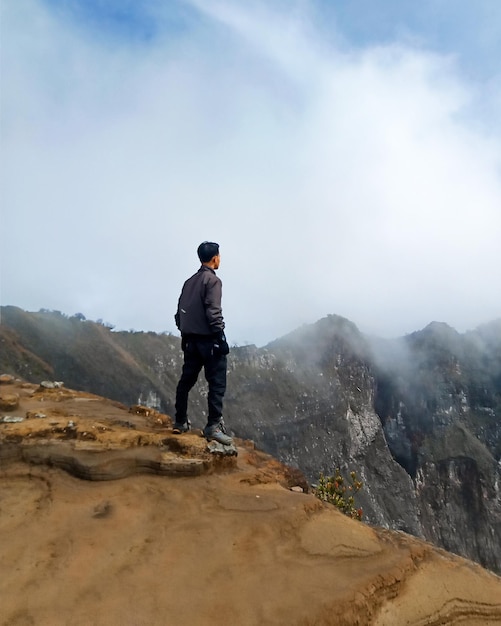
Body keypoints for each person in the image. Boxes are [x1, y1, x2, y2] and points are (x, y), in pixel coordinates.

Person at [172, 241, 233, 445]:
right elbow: (213, 312)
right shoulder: (213, 281)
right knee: (216, 383)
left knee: (186, 381)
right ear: (215, 257)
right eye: (219, 255)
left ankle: (180, 421)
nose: (220, 259)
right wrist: (221, 337)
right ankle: (213, 427)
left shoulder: (189, 282)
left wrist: (185, 333)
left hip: (190, 341)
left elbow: (179, 312)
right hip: (208, 341)